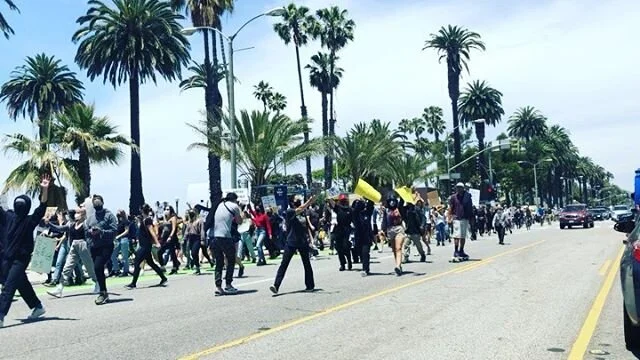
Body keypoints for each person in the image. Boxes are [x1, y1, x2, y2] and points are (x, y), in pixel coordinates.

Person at [0, 174, 50, 328]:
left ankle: (0, 315)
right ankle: (37, 306)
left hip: (20, 260)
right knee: (20, 283)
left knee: (9, 286)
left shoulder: (30, 220)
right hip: (7, 258)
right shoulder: (8, 217)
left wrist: (45, 189)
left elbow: (41, 208)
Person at [46, 207, 99, 298]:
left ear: (83, 214)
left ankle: (98, 283)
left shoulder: (86, 224)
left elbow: (93, 232)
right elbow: (60, 228)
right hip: (74, 246)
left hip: (83, 246)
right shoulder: (71, 224)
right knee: (67, 266)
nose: (75, 214)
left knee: (89, 267)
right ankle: (60, 288)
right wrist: (49, 224)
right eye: (76, 213)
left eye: (78, 212)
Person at [270, 196, 316, 295]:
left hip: (303, 242)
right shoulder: (290, 211)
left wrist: (310, 239)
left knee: (306, 263)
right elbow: (300, 209)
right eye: (296, 200)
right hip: (291, 242)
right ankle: (276, 285)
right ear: (292, 202)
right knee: (284, 264)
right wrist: (309, 202)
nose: (299, 201)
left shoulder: (304, 213)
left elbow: (306, 226)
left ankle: (310, 285)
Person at [125, 204, 168, 289]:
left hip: (145, 246)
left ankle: (133, 283)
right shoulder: (144, 220)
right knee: (150, 263)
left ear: (141, 210)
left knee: (137, 262)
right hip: (144, 245)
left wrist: (157, 242)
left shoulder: (147, 220)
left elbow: (151, 231)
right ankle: (163, 278)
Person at [85, 194, 118, 305]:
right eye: (94, 201)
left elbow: (114, 231)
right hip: (94, 247)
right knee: (97, 269)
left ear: (102, 202)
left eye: (98, 200)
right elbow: (86, 231)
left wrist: (102, 232)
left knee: (98, 266)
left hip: (106, 246)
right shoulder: (90, 217)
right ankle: (104, 291)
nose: (96, 202)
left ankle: (102, 293)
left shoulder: (109, 216)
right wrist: (90, 232)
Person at [209, 193, 241, 296]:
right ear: (234, 199)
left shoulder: (219, 205)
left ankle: (218, 287)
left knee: (219, 262)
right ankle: (228, 284)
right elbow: (239, 221)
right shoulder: (235, 206)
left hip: (214, 237)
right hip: (225, 237)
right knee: (231, 259)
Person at [447, 183, 474, 261]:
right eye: (457, 187)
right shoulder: (453, 197)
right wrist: (449, 218)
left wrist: (471, 218)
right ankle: (456, 251)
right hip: (456, 218)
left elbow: (470, 208)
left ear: (463, 188)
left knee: (463, 236)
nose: (459, 189)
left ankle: (461, 250)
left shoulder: (467, 197)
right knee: (456, 235)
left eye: (460, 187)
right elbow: (450, 208)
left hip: (465, 218)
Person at [329, 194, 353, 271]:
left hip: (347, 229)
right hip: (339, 229)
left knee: (346, 246)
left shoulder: (350, 209)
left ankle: (349, 261)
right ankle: (342, 264)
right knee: (339, 247)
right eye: (341, 200)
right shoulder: (338, 208)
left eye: (344, 200)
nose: (343, 202)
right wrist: (329, 197)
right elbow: (332, 203)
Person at [352, 199, 375, 276]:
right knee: (360, 253)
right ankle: (364, 266)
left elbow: (371, 205)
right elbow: (355, 209)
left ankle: (365, 269)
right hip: (358, 237)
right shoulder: (355, 215)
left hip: (366, 237)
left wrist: (368, 197)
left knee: (365, 253)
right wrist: (358, 203)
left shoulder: (367, 213)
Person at [110, 210, 131, 277]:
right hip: (118, 240)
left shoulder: (125, 221)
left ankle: (126, 271)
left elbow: (127, 231)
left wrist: (119, 236)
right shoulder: (117, 222)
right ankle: (117, 269)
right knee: (113, 255)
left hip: (124, 239)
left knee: (124, 256)